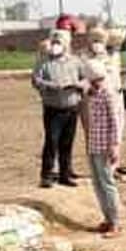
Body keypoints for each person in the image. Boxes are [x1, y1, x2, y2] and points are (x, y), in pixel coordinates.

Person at [31, 29, 84, 188]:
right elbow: (36, 80)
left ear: (66, 45)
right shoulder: (44, 62)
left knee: (67, 143)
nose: (55, 45)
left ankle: (65, 174)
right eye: (54, 42)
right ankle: (46, 175)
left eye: (59, 42)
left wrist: (78, 85)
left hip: (72, 107)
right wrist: (53, 86)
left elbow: (85, 79)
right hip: (53, 108)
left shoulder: (75, 61)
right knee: (51, 141)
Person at [83, 60, 121, 237]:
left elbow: (115, 121)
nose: (96, 82)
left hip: (105, 144)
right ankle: (107, 218)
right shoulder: (91, 93)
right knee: (97, 183)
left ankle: (115, 222)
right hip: (93, 143)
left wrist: (114, 146)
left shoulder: (108, 93)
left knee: (107, 183)